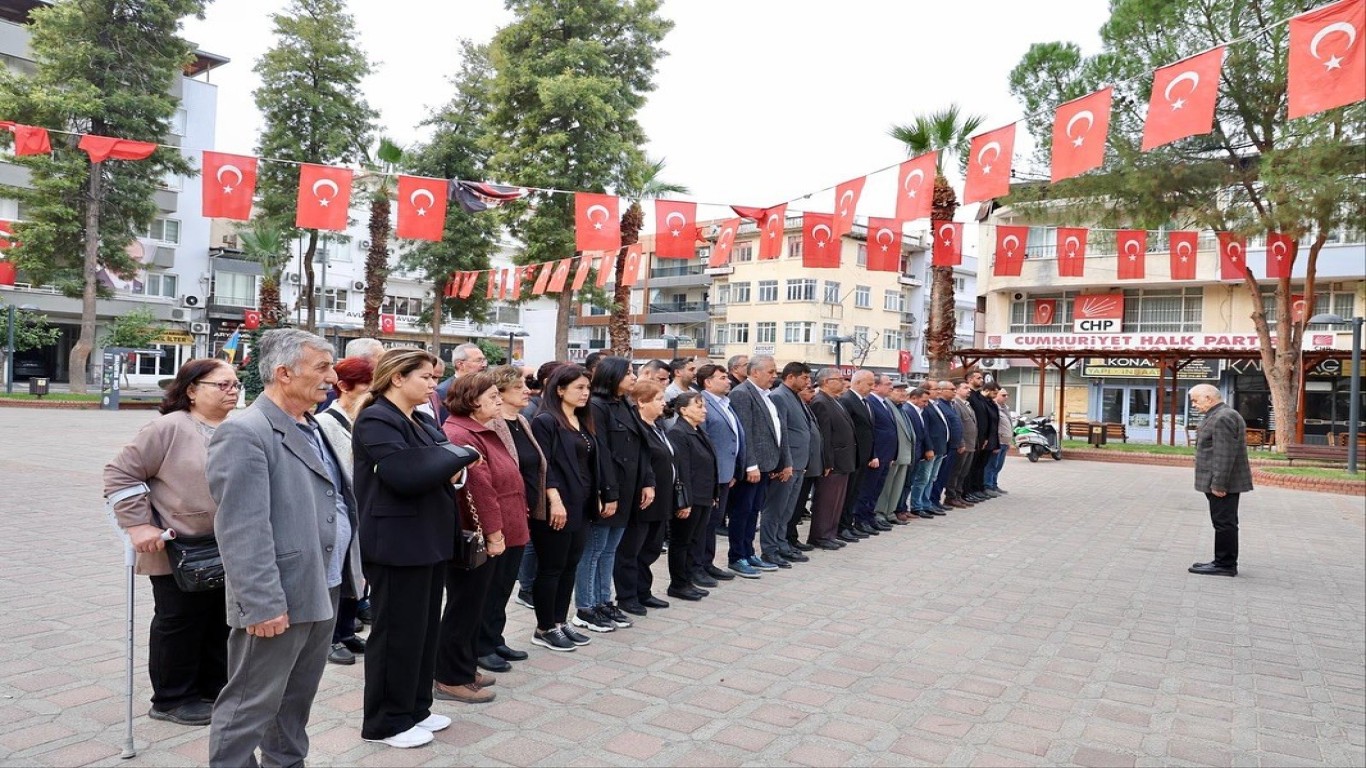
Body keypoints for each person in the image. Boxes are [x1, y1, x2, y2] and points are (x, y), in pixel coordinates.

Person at [205, 329, 360, 765]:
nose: (332, 376)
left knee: (296, 701)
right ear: (283, 372)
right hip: (278, 596)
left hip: (320, 584)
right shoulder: (246, 432)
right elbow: (242, 528)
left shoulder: (312, 423)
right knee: (249, 705)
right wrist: (262, 603)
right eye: (322, 367)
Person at [352, 348, 481, 749]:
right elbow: (407, 474)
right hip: (396, 544)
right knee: (397, 634)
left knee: (424, 630)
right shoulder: (376, 417)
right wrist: (457, 455)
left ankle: (415, 708)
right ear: (397, 378)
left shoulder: (421, 419)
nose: (432, 385)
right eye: (425, 377)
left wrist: (446, 460)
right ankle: (385, 722)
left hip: (429, 538)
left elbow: (441, 464)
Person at [103, 359, 238, 727]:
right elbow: (119, 474)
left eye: (236, 385)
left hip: (227, 544)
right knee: (179, 621)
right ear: (192, 390)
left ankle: (214, 688)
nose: (233, 391)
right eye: (222, 385)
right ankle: (172, 698)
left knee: (220, 620)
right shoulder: (168, 428)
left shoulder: (236, 427)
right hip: (178, 548)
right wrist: (137, 525)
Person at [437, 372, 526, 703]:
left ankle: (463, 667)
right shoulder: (462, 433)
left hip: (500, 525)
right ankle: (449, 677)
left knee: (476, 605)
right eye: (492, 396)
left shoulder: (481, 429)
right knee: (464, 606)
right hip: (478, 533)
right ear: (472, 401)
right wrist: (493, 532)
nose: (499, 400)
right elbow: (479, 488)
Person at [576, 356, 653, 631]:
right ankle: (586, 607)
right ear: (612, 376)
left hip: (629, 490)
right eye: (629, 373)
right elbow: (602, 454)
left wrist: (648, 481)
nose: (633, 378)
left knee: (609, 551)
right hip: (610, 490)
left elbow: (641, 448)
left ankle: (604, 602)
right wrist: (608, 493)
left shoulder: (625, 405)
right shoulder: (597, 406)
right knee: (594, 551)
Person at [477, 365, 544, 673]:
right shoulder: (493, 425)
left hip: (521, 512)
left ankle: (495, 637)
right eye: (518, 387)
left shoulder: (522, 421)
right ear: (499, 394)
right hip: (500, 515)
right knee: (489, 584)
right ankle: (480, 645)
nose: (526, 390)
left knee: (505, 583)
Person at [529, 364, 598, 652]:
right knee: (552, 567)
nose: (585, 393)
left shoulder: (582, 420)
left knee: (570, 565)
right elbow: (544, 465)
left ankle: (559, 620)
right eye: (579, 388)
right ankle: (544, 627)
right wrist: (554, 500)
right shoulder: (545, 421)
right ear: (560, 389)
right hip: (557, 504)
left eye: (587, 388)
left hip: (580, 503)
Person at [316, 357, 375, 665]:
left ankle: (347, 632)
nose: (371, 391)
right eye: (366, 385)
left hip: (364, 510)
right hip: (343, 510)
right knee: (339, 573)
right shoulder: (328, 421)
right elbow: (347, 469)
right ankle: (332, 637)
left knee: (358, 575)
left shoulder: (362, 416)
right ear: (343, 387)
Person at [726, 355, 791, 575]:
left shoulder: (767, 395)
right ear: (755, 372)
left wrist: (781, 462)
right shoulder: (742, 394)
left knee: (754, 512)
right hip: (752, 467)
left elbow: (777, 431)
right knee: (741, 512)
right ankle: (737, 557)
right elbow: (746, 433)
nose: (775, 376)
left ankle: (748, 552)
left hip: (766, 464)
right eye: (771, 372)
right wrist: (750, 465)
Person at [617, 379, 677, 613]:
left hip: (662, 499)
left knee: (650, 549)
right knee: (631, 550)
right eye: (659, 399)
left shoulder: (657, 426)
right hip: (643, 500)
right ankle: (627, 596)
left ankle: (644, 591)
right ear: (642, 402)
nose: (664, 404)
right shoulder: (637, 429)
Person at [1188, 384, 1253, 577]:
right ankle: (1221, 560)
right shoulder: (1218, 415)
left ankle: (1225, 564)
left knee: (1224, 523)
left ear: (1208, 398)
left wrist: (1219, 484)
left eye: (1195, 400)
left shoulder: (1223, 417)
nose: (1194, 404)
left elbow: (1224, 454)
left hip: (1222, 482)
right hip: (1218, 480)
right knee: (1222, 522)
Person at [695, 363, 748, 581]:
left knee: (713, 523)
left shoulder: (725, 403)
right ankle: (696, 567)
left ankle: (707, 562)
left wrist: (735, 469)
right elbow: (702, 442)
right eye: (722, 377)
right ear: (707, 382)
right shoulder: (702, 403)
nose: (728, 381)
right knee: (702, 525)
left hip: (726, 474)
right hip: (710, 476)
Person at [667, 392, 716, 600]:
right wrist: (684, 501)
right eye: (698, 406)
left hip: (704, 496)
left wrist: (714, 493)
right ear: (683, 410)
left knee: (694, 540)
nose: (704, 410)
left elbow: (710, 464)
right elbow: (682, 470)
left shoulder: (697, 430)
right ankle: (678, 584)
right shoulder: (679, 433)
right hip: (690, 498)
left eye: (703, 406)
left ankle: (687, 580)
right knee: (682, 541)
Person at [766, 362, 817, 562]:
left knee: (787, 509)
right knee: (776, 508)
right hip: (788, 463)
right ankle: (770, 548)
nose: (808, 382)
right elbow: (782, 432)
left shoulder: (794, 396)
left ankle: (782, 543)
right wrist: (784, 463)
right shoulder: (779, 396)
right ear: (790, 377)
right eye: (804, 378)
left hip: (799, 462)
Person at [809, 368, 857, 548]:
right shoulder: (821, 401)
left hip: (844, 459)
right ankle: (820, 536)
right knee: (826, 501)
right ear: (827, 381)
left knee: (837, 500)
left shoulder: (835, 401)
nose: (843, 381)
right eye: (839, 379)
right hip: (833, 461)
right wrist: (827, 461)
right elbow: (824, 436)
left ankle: (830, 533)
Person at [853, 374, 899, 534]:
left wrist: (893, 454)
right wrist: (874, 454)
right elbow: (871, 432)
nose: (891, 387)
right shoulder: (871, 402)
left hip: (887, 455)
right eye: (888, 384)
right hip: (876, 456)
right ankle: (860, 519)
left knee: (876, 490)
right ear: (877, 386)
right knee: (867, 490)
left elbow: (891, 430)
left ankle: (869, 517)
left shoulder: (885, 403)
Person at [837, 370, 877, 540]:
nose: (872, 388)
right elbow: (846, 431)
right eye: (869, 384)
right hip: (852, 456)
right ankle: (842, 526)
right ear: (858, 382)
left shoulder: (864, 402)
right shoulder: (848, 400)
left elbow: (869, 430)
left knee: (855, 493)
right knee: (847, 494)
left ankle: (848, 524)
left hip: (862, 456)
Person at [786, 380, 823, 550]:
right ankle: (788, 539)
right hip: (796, 462)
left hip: (806, 462)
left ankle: (791, 539)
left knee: (798, 504)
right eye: (808, 389)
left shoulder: (804, 405)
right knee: (791, 506)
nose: (812, 392)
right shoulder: (791, 402)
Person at [875, 382, 916, 526]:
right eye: (898, 390)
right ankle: (880, 512)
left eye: (904, 390)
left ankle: (890, 512)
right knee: (886, 486)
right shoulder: (888, 407)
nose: (903, 393)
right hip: (893, 454)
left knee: (897, 486)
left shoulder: (902, 408)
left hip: (904, 454)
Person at [965, 370, 1002, 500]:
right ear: (970, 379)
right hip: (973, 438)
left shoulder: (979, 397)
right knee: (970, 467)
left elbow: (986, 419)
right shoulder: (970, 397)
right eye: (979, 378)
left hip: (983, 438)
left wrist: (986, 437)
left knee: (980, 466)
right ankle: (967, 491)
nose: (981, 380)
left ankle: (977, 488)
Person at [434, 342, 488, 422]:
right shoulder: (444, 391)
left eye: (484, 360)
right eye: (478, 361)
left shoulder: (485, 388)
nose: (484, 365)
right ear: (460, 364)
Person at [945, 380, 977, 510]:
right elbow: (958, 426)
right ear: (957, 390)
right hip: (962, 445)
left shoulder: (967, 404)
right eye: (965, 388)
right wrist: (960, 442)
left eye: (969, 388)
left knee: (964, 472)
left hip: (971, 443)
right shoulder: (956, 405)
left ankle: (958, 495)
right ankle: (951, 497)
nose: (969, 390)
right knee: (956, 471)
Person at [985, 386, 1012, 494]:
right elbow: (993, 427)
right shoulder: (994, 408)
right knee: (992, 465)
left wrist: (1009, 441)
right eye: (1003, 395)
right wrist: (994, 443)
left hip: (1004, 442)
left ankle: (994, 484)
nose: (1006, 397)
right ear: (996, 396)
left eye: (1007, 395)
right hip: (997, 442)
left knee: (998, 466)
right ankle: (988, 485)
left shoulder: (1005, 408)